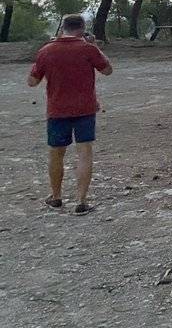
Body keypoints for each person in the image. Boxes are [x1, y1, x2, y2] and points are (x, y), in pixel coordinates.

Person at [27, 14, 113, 215]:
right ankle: (81, 200)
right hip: (85, 108)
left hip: (57, 109)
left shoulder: (46, 51)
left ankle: (56, 196)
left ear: (62, 27)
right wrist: (96, 47)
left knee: (56, 153)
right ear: (82, 28)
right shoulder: (88, 49)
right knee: (84, 152)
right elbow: (108, 70)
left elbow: (32, 81)